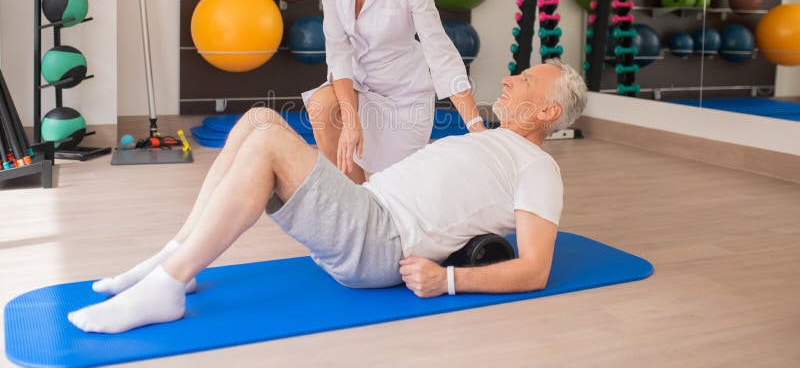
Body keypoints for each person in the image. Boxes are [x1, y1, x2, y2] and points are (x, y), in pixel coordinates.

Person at [68, 60, 587, 334]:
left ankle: (167, 287)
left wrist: (448, 279)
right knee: (260, 119)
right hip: (370, 207)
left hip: (382, 242)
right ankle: (173, 256)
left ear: (546, 113)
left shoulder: (538, 167)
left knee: (270, 142)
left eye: (523, 81)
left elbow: (537, 268)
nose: (508, 80)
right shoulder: (486, 140)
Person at [304, 0, 485, 184]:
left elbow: (439, 51)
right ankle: (355, 207)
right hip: (359, 89)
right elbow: (338, 50)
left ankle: (382, 213)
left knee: (400, 190)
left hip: (404, 97)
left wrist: (476, 125)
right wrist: (351, 120)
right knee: (321, 105)